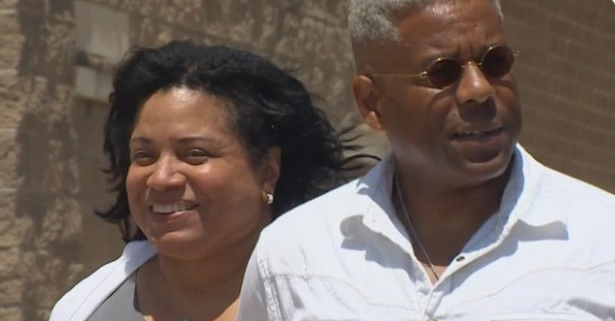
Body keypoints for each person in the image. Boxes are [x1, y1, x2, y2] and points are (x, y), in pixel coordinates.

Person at [235, 0, 615, 320]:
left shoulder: (601, 240)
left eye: (495, 62)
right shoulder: (294, 253)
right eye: (443, 72)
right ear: (372, 103)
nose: (479, 90)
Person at [49, 40, 360, 321]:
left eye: (194, 154)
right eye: (144, 156)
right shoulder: (84, 310)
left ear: (268, 169)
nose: (161, 177)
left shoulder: (341, 302)